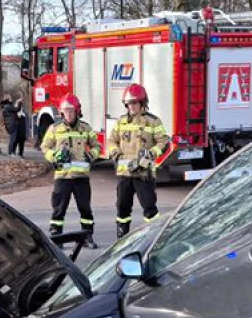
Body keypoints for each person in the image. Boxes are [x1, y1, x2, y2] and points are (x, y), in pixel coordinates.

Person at [105, 83, 169, 238]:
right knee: (122, 207)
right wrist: (116, 154)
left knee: (149, 207)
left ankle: (154, 236)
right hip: (124, 174)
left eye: (135, 103)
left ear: (142, 103)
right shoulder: (121, 122)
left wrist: (150, 155)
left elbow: (164, 142)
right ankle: (122, 235)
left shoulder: (153, 121)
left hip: (143, 174)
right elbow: (111, 141)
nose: (131, 106)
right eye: (129, 103)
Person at [41, 94, 97, 247]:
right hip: (62, 176)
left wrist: (91, 155)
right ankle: (57, 237)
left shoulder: (86, 128)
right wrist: (54, 156)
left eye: (72, 111)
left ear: (77, 111)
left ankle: (87, 237)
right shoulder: (54, 129)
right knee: (58, 209)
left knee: (85, 209)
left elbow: (97, 146)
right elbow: (45, 147)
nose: (69, 114)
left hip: (81, 177)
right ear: (61, 112)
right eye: (66, 111)